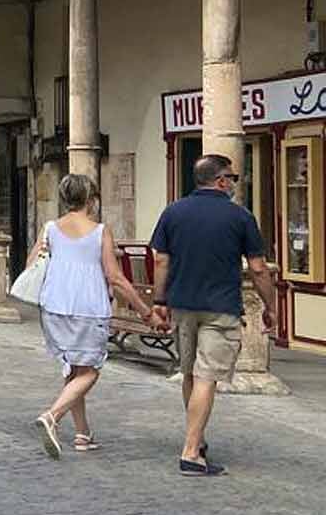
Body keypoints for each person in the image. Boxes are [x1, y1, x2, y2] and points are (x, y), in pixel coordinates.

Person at [149, 153, 278, 477]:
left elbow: (161, 260)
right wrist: (271, 306)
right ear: (221, 181)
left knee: (190, 373)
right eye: (233, 178)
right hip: (220, 307)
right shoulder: (240, 217)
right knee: (207, 377)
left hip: (182, 304)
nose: (235, 183)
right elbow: (259, 269)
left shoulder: (173, 212)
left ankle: (198, 438)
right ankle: (191, 452)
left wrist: (159, 300)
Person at [28, 174, 164, 458]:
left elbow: (32, 264)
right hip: (88, 307)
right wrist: (145, 311)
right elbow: (115, 278)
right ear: (91, 199)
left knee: (75, 369)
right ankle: (52, 416)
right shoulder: (100, 231)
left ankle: (82, 433)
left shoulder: (50, 228)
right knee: (90, 371)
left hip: (54, 306)